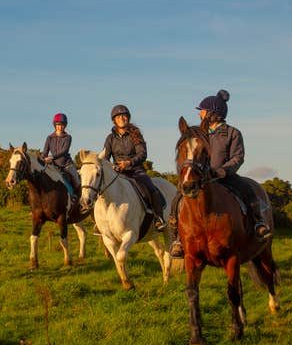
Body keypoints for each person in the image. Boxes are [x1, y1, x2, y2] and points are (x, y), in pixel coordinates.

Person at [170, 90, 271, 258]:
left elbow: (238, 157)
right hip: (202, 178)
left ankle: (259, 223)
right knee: (177, 198)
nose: (200, 113)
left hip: (225, 176)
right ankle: (177, 239)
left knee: (248, 189)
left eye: (201, 110)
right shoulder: (200, 133)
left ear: (212, 113)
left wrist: (223, 170)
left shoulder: (233, 133)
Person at [102, 105, 166, 231]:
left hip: (136, 171)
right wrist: (112, 167)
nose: (122, 118)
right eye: (119, 116)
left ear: (128, 118)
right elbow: (105, 157)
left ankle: (159, 218)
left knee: (151, 189)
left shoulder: (136, 135)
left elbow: (142, 154)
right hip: (118, 173)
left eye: (124, 115)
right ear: (114, 120)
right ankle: (101, 224)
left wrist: (129, 163)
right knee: (102, 192)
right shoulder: (110, 138)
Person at [41, 113, 80, 197]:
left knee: (77, 182)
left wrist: (52, 157)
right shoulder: (49, 138)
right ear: (55, 125)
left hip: (67, 165)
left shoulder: (68, 137)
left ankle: (79, 201)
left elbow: (64, 151)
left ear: (65, 126)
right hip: (54, 166)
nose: (60, 127)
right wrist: (42, 159)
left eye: (62, 125)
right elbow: (44, 153)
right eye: (58, 125)